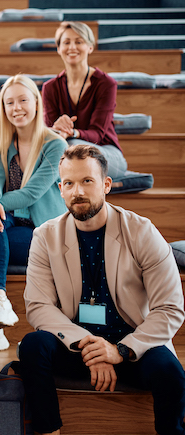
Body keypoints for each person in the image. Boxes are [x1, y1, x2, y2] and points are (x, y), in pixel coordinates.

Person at [20, 144, 185, 435]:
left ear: (106, 185)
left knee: (170, 372)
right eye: (69, 183)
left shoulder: (143, 231)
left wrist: (119, 350)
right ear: (60, 189)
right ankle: (49, 432)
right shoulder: (45, 236)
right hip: (77, 346)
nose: (77, 192)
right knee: (33, 347)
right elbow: (38, 306)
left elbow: (169, 309)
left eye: (87, 181)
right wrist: (92, 347)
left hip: (134, 345)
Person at [0, 75, 67, 354]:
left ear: (36, 102)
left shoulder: (55, 145)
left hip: (45, 234)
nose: (16, 107)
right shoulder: (3, 143)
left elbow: (31, 193)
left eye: (23, 100)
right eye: (10, 102)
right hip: (10, 229)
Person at [42, 21, 128, 179]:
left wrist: (72, 132)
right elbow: (49, 134)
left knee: (72, 148)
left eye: (79, 42)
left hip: (106, 153)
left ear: (90, 47)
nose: (72, 47)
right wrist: (56, 128)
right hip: (64, 150)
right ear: (59, 48)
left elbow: (97, 134)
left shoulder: (106, 84)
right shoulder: (50, 88)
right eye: (66, 42)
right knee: (59, 148)